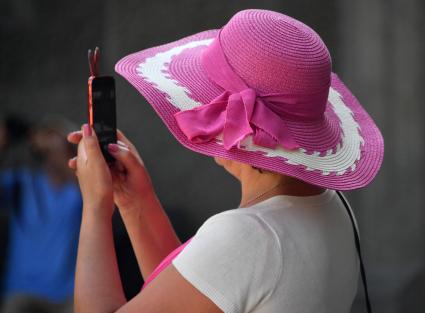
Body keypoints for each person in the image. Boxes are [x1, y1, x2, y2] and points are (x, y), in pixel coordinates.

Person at [67, 9, 384, 313]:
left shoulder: (249, 236)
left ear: (233, 124)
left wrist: (96, 205)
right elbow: (204, 290)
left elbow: (229, 265)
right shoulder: (333, 205)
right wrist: (135, 201)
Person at [0, 116, 82, 313]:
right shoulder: (22, 183)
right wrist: (5, 140)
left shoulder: (77, 190)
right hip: (21, 290)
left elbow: (95, 189)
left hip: (66, 294)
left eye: (59, 140)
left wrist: (62, 152)